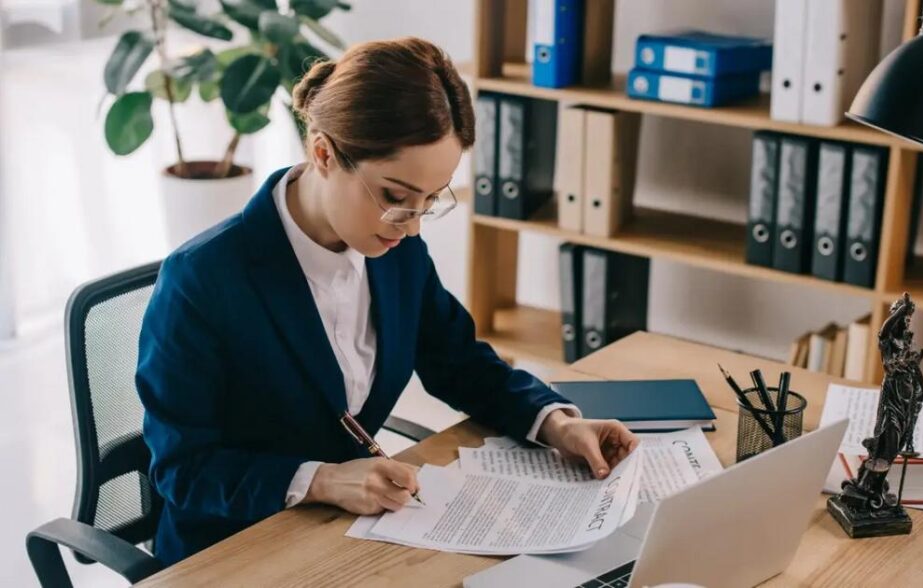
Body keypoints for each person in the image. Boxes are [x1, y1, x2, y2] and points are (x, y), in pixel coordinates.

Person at [136, 37, 639, 565]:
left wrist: (556, 422)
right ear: (324, 152)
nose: (412, 225)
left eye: (430, 199)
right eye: (395, 197)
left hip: (346, 534)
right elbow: (183, 468)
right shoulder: (203, 281)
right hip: (233, 551)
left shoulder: (394, 250)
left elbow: (459, 361)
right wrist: (322, 480)